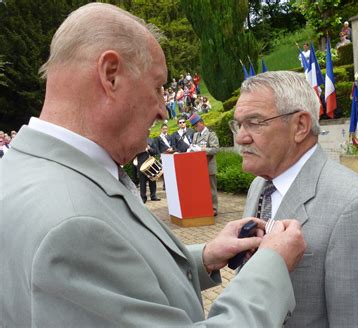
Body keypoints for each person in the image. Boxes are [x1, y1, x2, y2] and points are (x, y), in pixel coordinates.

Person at [0, 4, 308, 326]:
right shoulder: (72, 226)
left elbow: (109, 278)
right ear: (110, 75)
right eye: (158, 87)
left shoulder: (20, 173)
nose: (164, 110)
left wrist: (203, 258)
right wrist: (271, 264)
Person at [231, 71, 358, 327]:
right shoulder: (259, 185)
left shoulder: (356, 207)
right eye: (238, 124)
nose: (241, 137)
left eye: (255, 123)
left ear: (300, 126)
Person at [188, 113, 219, 216]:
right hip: (199, 166)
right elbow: (193, 146)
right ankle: (204, 207)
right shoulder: (196, 135)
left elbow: (215, 149)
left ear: (201, 123)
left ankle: (213, 209)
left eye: (196, 126)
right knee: (202, 189)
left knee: (211, 189)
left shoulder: (211, 134)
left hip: (209, 165)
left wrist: (202, 150)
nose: (196, 128)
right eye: (194, 127)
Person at [136, 137, 160, 203]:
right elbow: (134, 153)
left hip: (151, 164)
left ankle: (153, 196)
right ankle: (143, 198)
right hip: (141, 165)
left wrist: (149, 148)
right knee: (142, 182)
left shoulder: (151, 140)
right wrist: (142, 149)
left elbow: (155, 151)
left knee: (152, 181)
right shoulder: (137, 141)